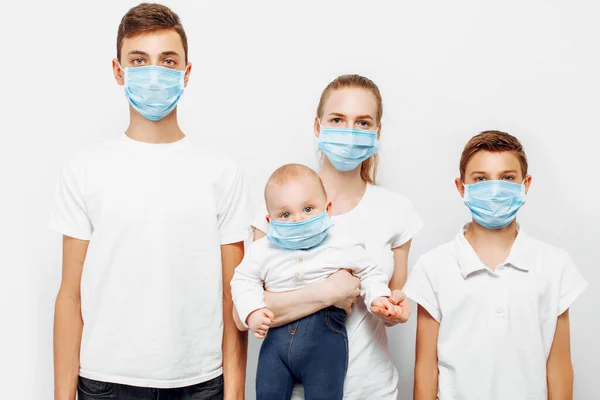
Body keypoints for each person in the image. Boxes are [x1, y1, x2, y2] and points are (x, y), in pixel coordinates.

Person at [49, 4, 250, 400]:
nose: (153, 73)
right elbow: (70, 295)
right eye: (139, 60)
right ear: (118, 70)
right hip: (105, 381)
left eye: (168, 61)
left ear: (186, 73)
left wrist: (235, 393)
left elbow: (233, 296)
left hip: (199, 382)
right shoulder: (85, 168)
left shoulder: (222, 173)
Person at [251, 74, 423, 399]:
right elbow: (246, 310)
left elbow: (388, 299)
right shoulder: (278, 207)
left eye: (362, 122)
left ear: (377, 131)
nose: (349, 132)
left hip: (373, 390)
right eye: (337, 119)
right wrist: (330, 291)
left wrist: (393, 310)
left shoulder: (397, 211)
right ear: (318, 127)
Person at [405, 130, 588, 400]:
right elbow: (426, 370)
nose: (494, 189)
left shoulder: (554, 265)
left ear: (525, 184)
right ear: (461, 187)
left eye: (507, 178)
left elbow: (558, 367)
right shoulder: (434, 266)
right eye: (480, 179)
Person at [232, 164, 400, 399]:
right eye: (285, 215)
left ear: (327, 209)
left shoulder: (341, 243)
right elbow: (242, 281)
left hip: (324, 343)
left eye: (308, 209)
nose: (298, 220)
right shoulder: (262, 251)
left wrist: (378, 297)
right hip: (275, 349)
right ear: (270, 221)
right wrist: (252, 311)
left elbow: (370, 270)